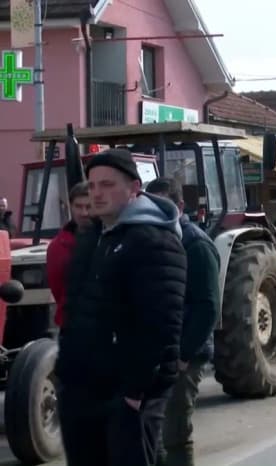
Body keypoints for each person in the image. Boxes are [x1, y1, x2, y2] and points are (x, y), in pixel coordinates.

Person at [55, 149, 187, 466]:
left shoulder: (154, 240)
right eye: (92, 185)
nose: (97, 194)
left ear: (134, 188)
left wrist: (134, 393)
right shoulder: (94, 237)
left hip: (127, 394)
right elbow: (76, 309)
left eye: (108, 185)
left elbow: (160, 324)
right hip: (84, 387)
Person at [146, 177, 220, 466]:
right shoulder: (150, 240)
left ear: (179, 206)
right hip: (155, 352)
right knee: (152, 433)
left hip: (183, 355)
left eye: (162, 205)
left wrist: (183, 354)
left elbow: (207, 307)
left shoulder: (196, 244)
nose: (154, 212)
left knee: (174, 433)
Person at [46, 181, 92, 328]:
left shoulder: (109, 238)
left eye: (89, 207)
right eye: (79, 207)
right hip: (71, 322)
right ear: (70, 206)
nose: (84, 213)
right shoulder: (57, 246)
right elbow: (57, 288)